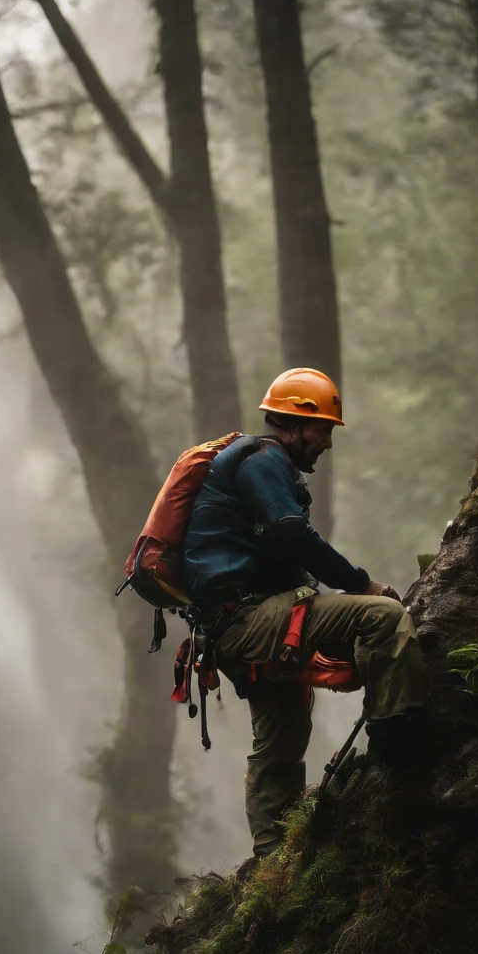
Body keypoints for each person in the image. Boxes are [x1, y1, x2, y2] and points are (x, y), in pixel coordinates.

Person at [184, 367, 425, 857]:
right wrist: (363, 584)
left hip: (230, 626)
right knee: (382, 617)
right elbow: (290, 533)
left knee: (280, 741)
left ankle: (272, 861)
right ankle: (401, 757)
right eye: (323, 430)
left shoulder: (257, 462)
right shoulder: (262, 460)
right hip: (253, 620)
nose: (327, 443)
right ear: (295, 423)